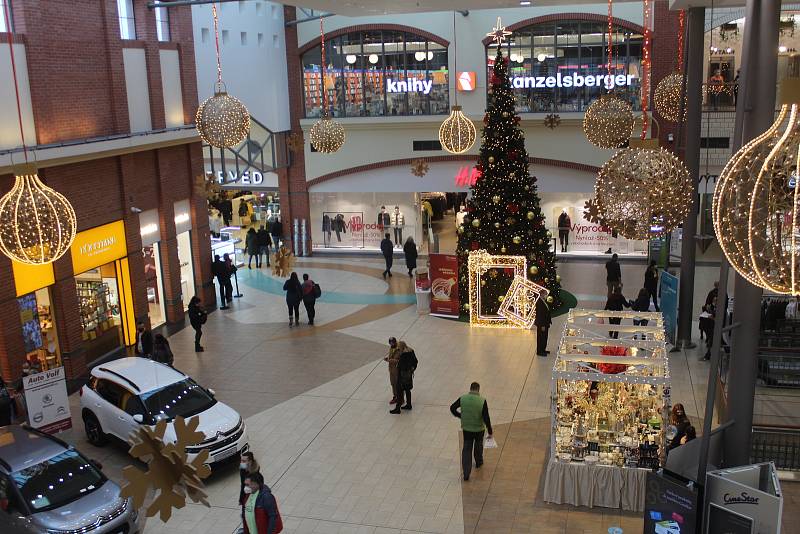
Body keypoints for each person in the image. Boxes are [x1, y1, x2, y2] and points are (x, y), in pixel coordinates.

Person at [450, 382, 493, 481]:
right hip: (478, 429)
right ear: (478, 389)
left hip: (467, 429)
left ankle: (466, 472)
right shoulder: (482, 401)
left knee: (466, 449)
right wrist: (490, 430)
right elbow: (486, 417)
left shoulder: (463, 398)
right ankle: (478, 462)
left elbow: (452, 408)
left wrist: (460, 415)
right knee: (478, 446)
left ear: (470, 389)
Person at [397, 342, 418, 411]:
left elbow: (401, 365)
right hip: (409, 374)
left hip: (403, 374)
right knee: (408, 389)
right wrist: (412, 369)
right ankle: (409, 404)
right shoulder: (411, 351)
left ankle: (398, 408)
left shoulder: (403, 354)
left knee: (400, 390)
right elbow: (416, 361)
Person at [384, 337, 401, 407]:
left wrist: (390, 360)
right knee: (393, 384)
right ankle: (395, 396)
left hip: (397, 370)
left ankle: (400, 398)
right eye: (390, 342)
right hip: (391, 370)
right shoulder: (391, 348)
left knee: (398, 385)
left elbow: (399, 360)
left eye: (392, 342)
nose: (391, 344)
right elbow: (391, 357)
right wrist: (388, 358)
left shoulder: (399, 349)